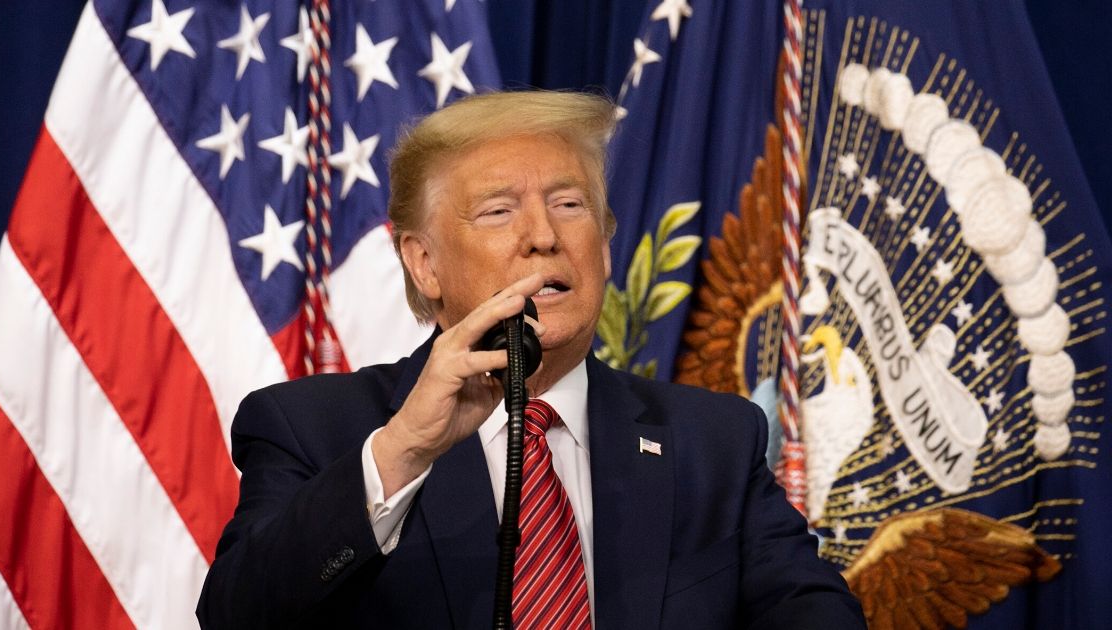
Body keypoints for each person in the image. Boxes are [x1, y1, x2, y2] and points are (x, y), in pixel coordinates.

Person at [197, 90, 864, 629]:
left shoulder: (710, 442)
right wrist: (403, 451)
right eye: (498, 211)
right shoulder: (316, 429)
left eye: (569, 205)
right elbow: (237, 615)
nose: (543, 237)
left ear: (604, 248)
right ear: (424, 263)